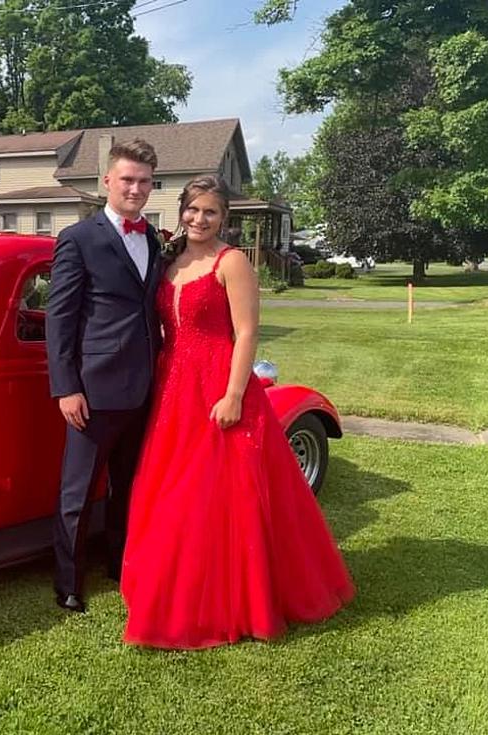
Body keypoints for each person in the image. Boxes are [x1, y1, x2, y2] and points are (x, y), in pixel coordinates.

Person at [121, 174, 354, 647]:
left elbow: (247, 332)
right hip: (173, 385)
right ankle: (168, 581)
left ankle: (234, 596)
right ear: (181, 212)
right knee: (174, 485)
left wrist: (232, 395)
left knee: (222, 491)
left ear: (224, 218)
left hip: (218, 380)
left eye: (210, 212)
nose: (199, 219)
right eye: (192, 210)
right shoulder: (169, 260)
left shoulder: (232, 264)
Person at [45, 139, 164, 613]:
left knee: (128, 484)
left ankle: (119, 562)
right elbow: (60, 316)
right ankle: (68, 581)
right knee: (77, 490)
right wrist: (66, 386)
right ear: (107, 183)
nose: (135, 189)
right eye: (127, 180)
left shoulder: (152, 237)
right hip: (92, 389)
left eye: (144, 181)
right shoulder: (79, 238)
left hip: (144, 386)